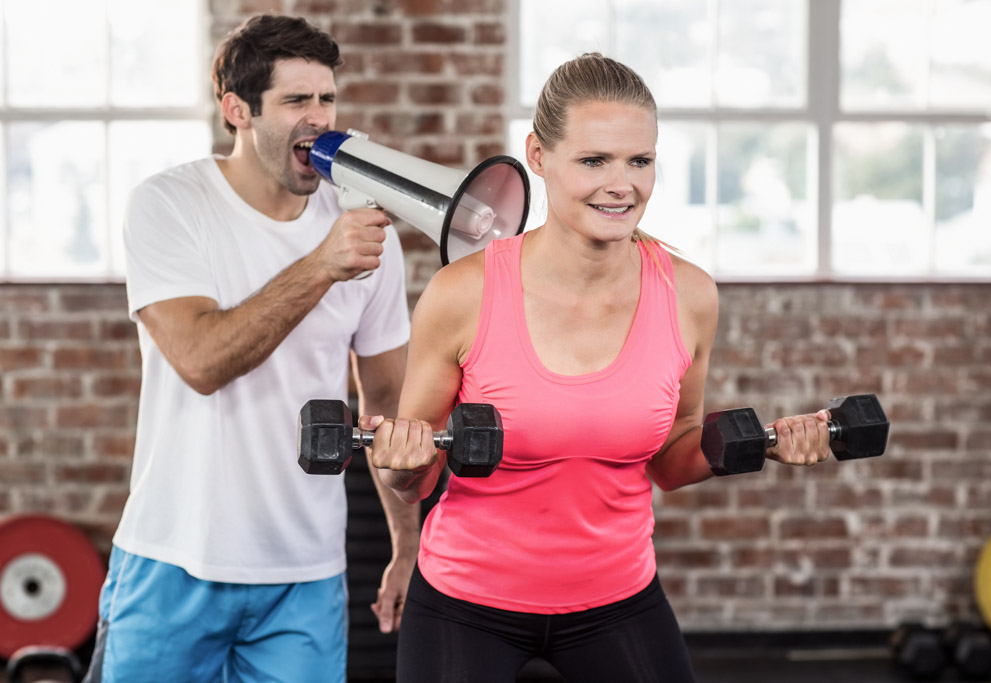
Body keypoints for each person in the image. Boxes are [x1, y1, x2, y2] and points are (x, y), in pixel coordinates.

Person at [360, 53, 835, 682]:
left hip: (617, 597)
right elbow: (414, 480)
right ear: (538, 155)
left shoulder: (689, 295)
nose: (622, 185)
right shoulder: (463, 294)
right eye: (593, 161)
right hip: (465, 602)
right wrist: (401, 461)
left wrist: (768, 443)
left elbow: (670, 459)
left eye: (639, 161)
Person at [83, 15, 418, 683]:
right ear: (237, 109)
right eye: (296, 100)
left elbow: (388, 406)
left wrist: (407, 543)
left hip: (305, 576)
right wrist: (321, 264)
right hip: (173, 559)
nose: (319, 118)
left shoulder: (362, 233)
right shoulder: (168, 205)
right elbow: (202, 361)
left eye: (327, 98)